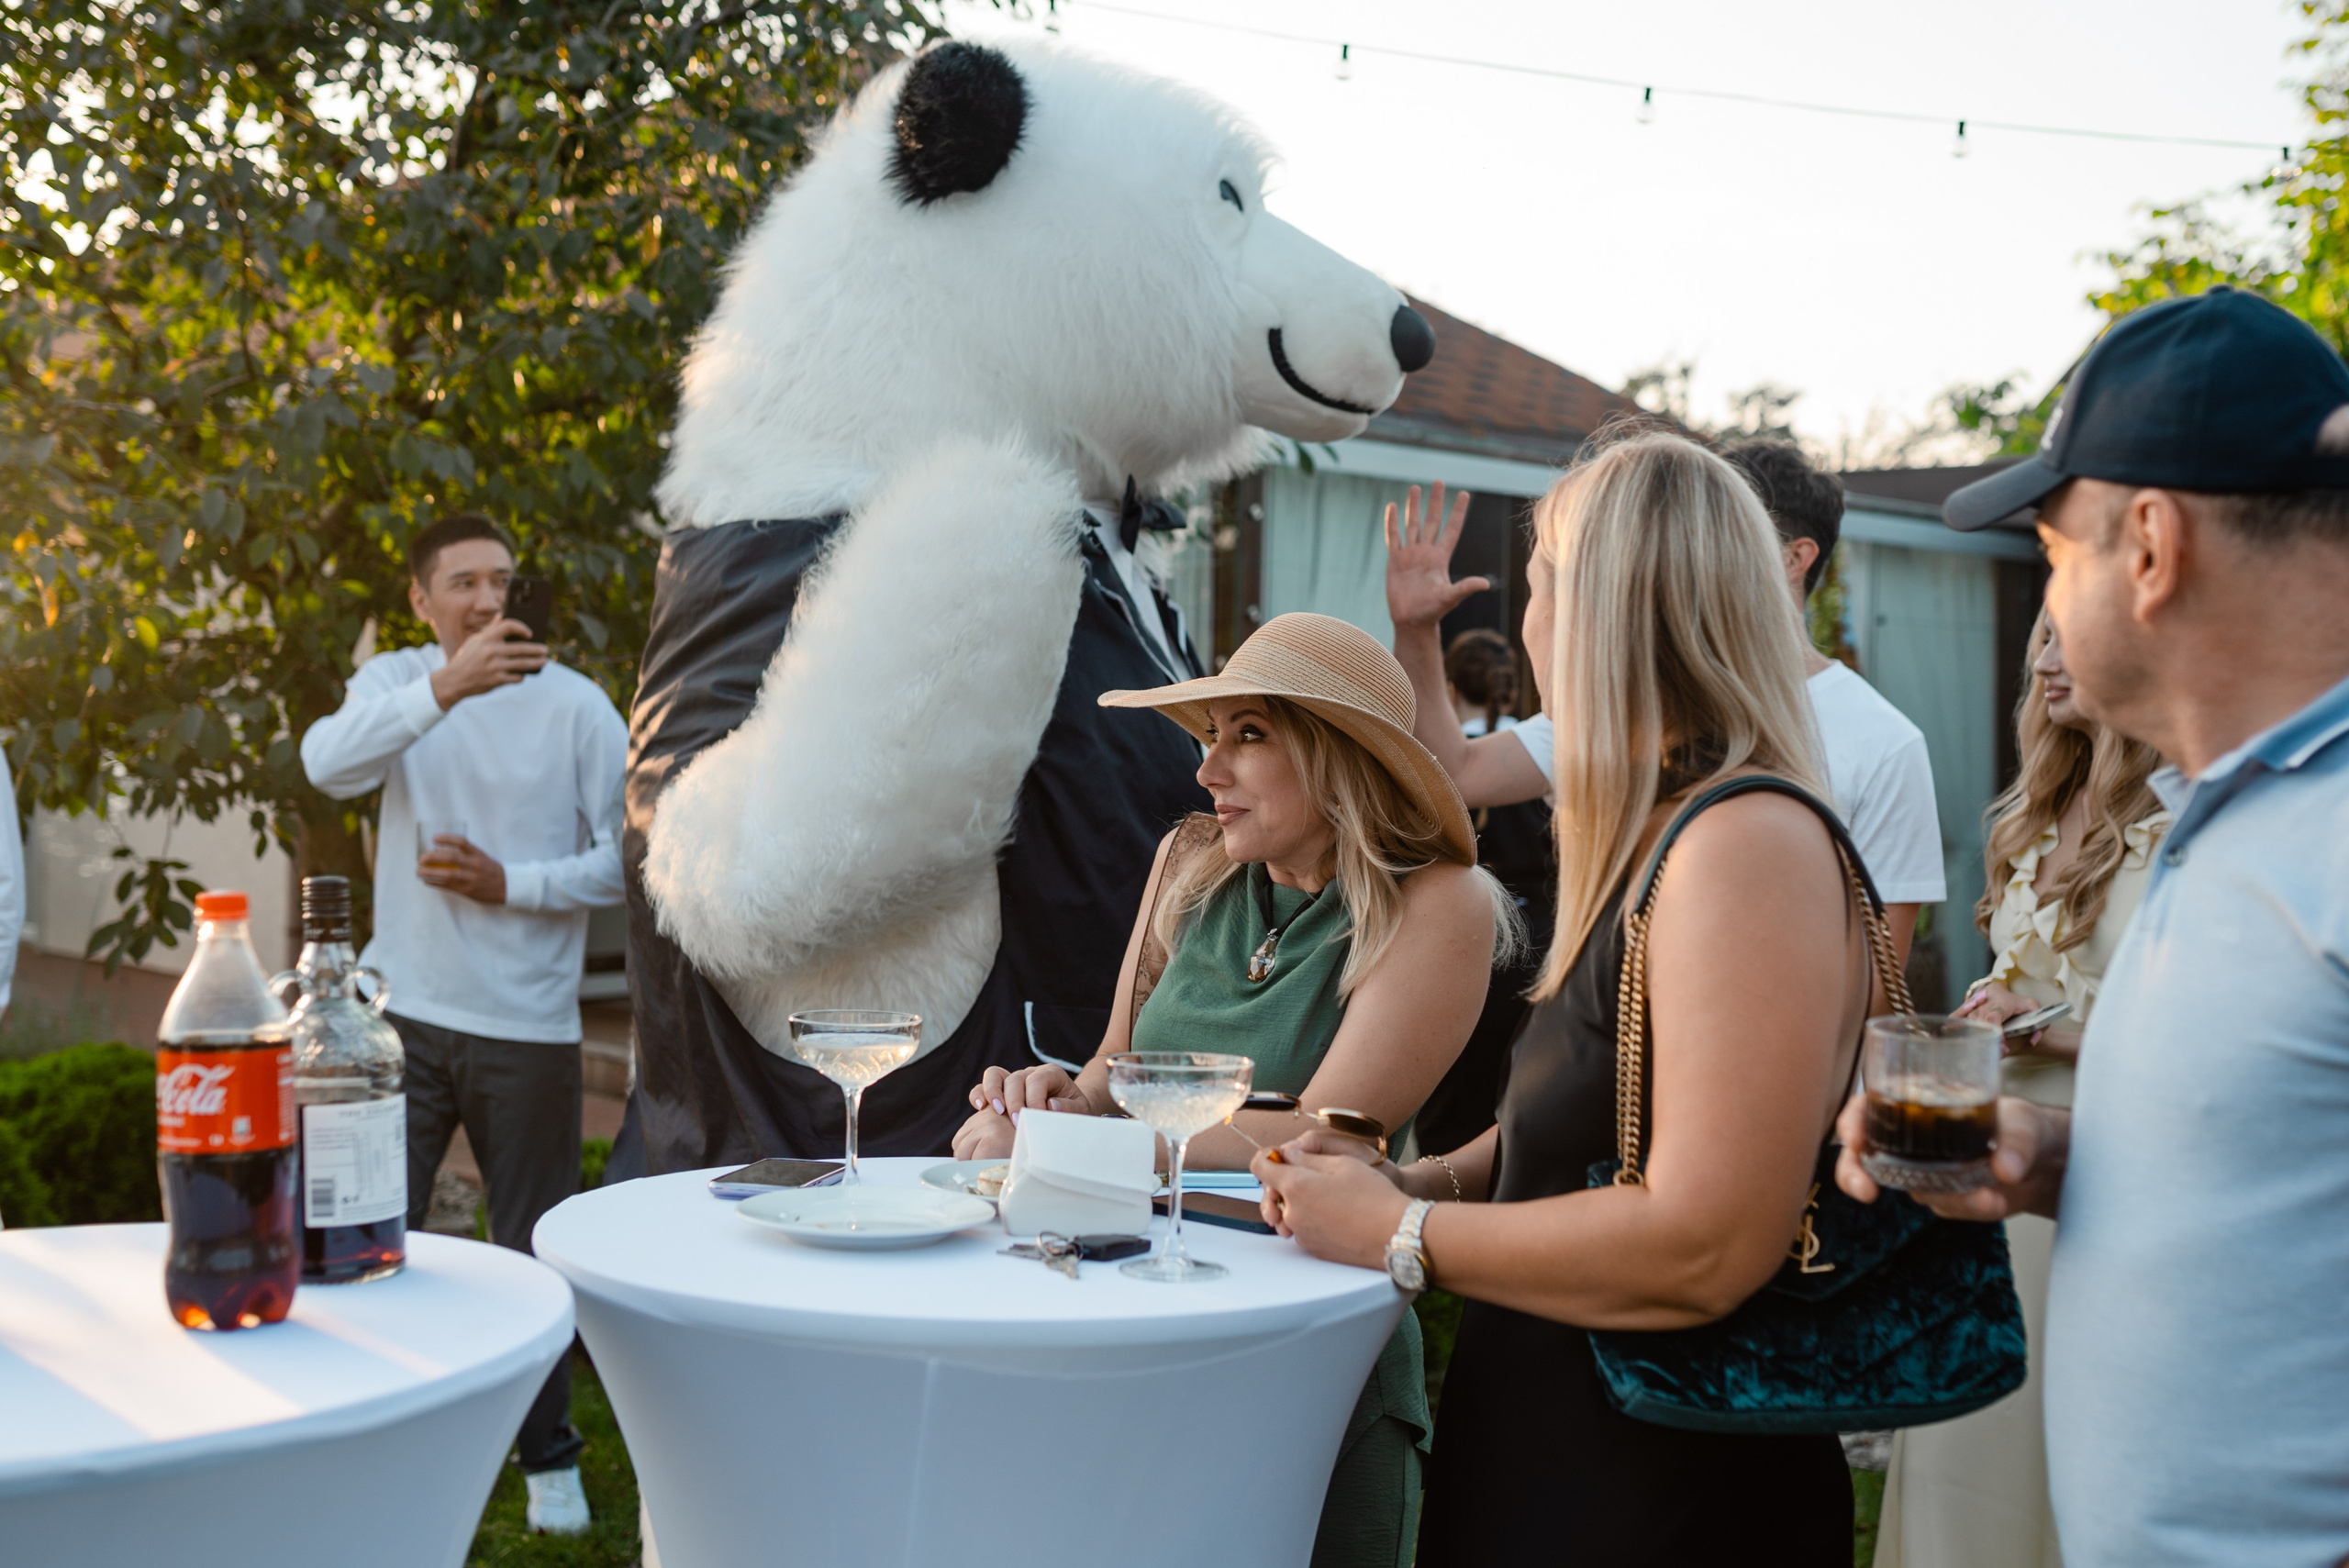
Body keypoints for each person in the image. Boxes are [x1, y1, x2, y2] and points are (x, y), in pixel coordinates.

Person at [1259, 430, 1878, 1565]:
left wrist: (1401, 1229)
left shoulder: (1743, 842)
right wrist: (1409, 1174)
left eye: (1539, 575)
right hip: (1561, 1432)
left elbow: (1704, 1239)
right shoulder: (1659, 830)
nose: (1532, 613)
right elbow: (1578, 1126)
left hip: (1663, 1483)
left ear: (1596, 604)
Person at [1839, 285, 2349, 1567]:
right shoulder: (2228, 814)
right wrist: (2057, 1162)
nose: (2050, 601)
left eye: (2054, 552)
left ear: (2155, 547)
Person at [952, 612, 1514, 1568]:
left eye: (1248, 734)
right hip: (1131, 1307)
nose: (1209, 769)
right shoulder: (1188, 860)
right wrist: (1044, 1099)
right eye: (1209, 737)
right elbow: (1108, 1076)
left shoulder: (1441, 902)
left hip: (1306, 1338)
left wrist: (1062, 1151)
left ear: (1341, 758)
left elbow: (1319, 1139)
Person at [300, 513, 627, 1536]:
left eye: (502, 582)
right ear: (421, 600)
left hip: (527, 1025)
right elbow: (326, 765)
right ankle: (365, 1426)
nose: (489, 602)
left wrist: (510, 883)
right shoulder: (399, 684)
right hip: (398, 1023)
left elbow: (631, 855)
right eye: (465, 584)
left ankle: (549, 1459)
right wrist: (443, 688)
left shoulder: (576, 707)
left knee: (529, 1251)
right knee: (360, 1235)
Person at [1386, 439, 1945, 965]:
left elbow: (1877, 979)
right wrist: (1415, 629)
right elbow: (1455, 772)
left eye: (1725, 531)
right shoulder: (1623, 711)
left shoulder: (1885, 743)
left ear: (1795, 558)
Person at [1873, 612, 2168, 1568]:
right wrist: (1985, 1015)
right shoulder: (2036, 809)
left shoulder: (2184, 820)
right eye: (2037, 634)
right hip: (1991, 1171)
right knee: (1970, 1448)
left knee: (2078, 1459)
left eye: (2068, 632)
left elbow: (2205, 1036)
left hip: (2109, 1180)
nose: (2041, 657)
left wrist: (2044, 1025)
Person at [1415, 628, 1554, 1154]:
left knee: (1454, 1110)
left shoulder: (1459, 765)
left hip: (1477, 946)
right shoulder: (1537, 755)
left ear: (1449, 689)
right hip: (1545, 947)